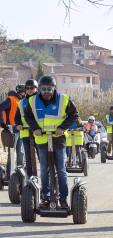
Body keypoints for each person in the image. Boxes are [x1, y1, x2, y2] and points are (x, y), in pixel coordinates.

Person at [24, 75, 79, 209]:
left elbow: (74, 115)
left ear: (54, 88)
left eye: (49, 88)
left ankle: (63, 198)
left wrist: (62, 128)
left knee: (61, 169)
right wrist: (35, 128)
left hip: (58, 139)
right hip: (42, 140)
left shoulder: (64, 99)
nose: (47, 91)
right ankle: (46, 198)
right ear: (40, 89)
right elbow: (28, 116)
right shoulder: (32, 101)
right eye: (44, 88)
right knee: (44, 169)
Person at [0, 84, 26, 179]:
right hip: (12, 130)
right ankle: (9, 174)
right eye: (25, 91)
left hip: (21, 130)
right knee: (11, 154)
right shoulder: (11, 99)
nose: (26, 93)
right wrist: (2, 123)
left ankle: (20, 174)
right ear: (21, 92)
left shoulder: (22, 101)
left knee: (20, 153)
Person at [15, 79, 39, 178]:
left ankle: (46, 181)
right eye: (27, 88)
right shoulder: (21, 102)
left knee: (42, 157)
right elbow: (17, 116)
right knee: (28, 158)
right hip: (25, 133)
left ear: (36, 88)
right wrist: (19, 124)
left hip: (40, 133)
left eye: (32, 88)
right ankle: (30, 179)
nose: (29, 90)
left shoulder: (41, 101)